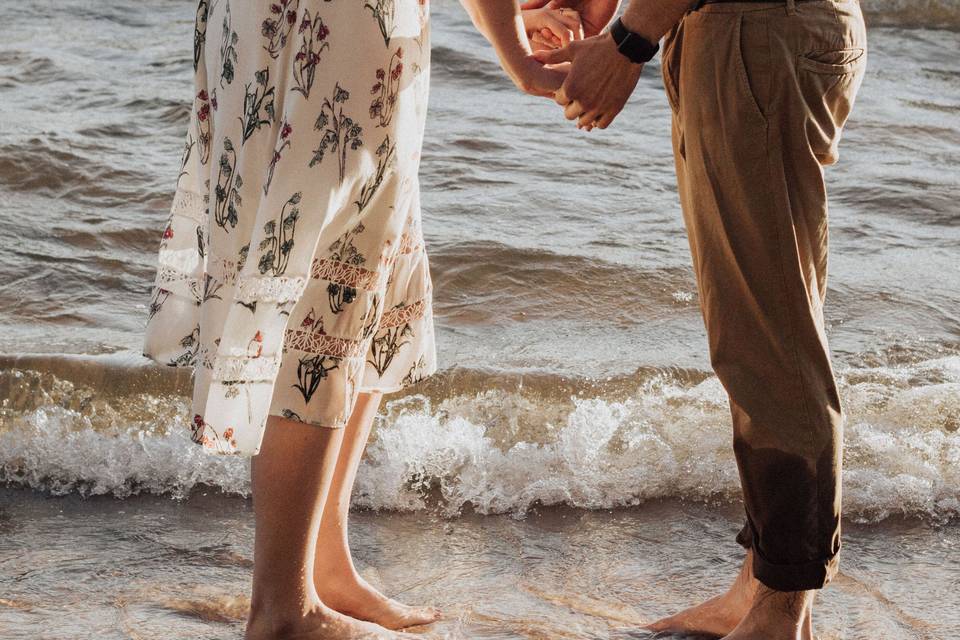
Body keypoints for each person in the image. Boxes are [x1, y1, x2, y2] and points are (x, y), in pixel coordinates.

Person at [142, 1, 573, 638]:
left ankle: (323, 563)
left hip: (281, 21)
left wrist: (513, 21)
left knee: (364, 259)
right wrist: (517, 53)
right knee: (323, 274)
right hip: (335, 27)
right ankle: (284, 609)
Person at [530, 0, 867, 638]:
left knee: (771, 343)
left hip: (756, 34)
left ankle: (782, 610)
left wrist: (628, 41)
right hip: (748, 31)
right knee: (754, 332)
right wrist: (597, 17)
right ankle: (761, 586)